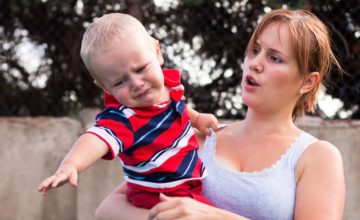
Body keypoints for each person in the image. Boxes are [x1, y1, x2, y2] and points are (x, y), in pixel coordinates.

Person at [94, 9, 346, 220]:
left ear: (308, 82)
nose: (255, 63)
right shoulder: (198, 137)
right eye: (255, 50)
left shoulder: (317, 157)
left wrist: (214, 217)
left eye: (275, 58)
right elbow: (107, 210)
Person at [37, 13, 220, 209]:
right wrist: (71, 164)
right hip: (157, 197)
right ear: (105, 87)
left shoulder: (167, 88)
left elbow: (176, 110)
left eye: (140, 69)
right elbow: (94, 139)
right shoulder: (124, 118)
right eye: (119, 81)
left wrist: (197, 118)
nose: (136, 83)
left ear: (157, 52)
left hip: (186, 188)